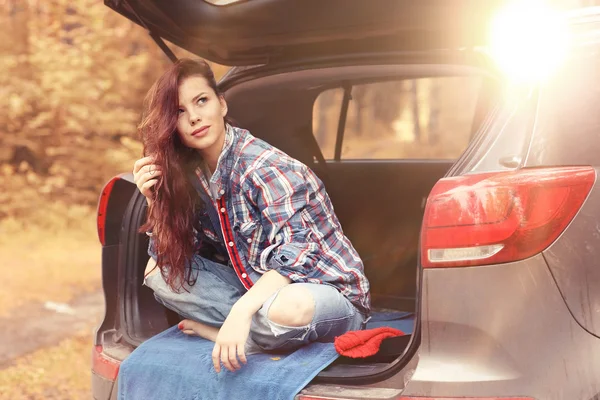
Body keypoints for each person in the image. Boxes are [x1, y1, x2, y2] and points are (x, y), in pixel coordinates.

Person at [132, 58, 370, 374]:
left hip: (325, 295)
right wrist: (155, 200)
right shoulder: (194, 173)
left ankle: (238, 335)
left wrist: (240, 313)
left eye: (201, 101)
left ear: (222, 105)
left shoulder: (266, 168)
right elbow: (178, 252)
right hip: (258, 290)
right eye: (179, 111)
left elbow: (294, 259)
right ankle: (255, 332)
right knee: (159, 273)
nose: (194, 117)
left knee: (288, 307)